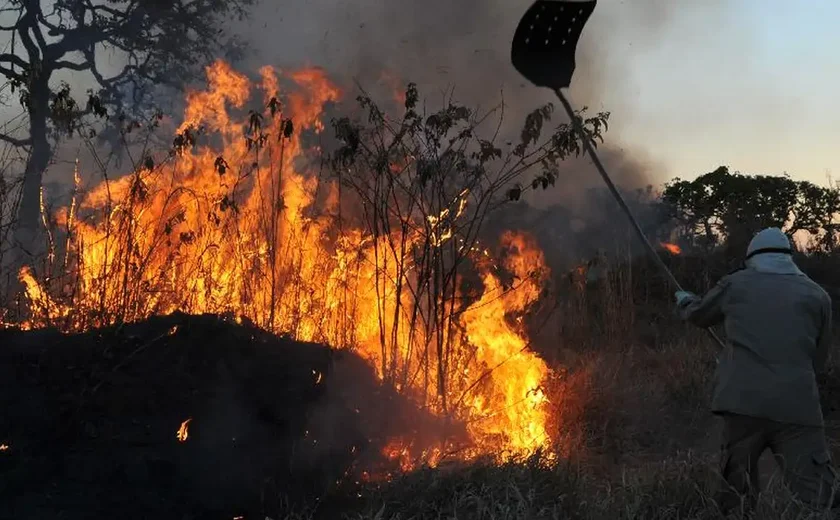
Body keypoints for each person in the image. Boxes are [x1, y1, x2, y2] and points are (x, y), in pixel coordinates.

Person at [675, 227, 837, 514]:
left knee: (736, 494)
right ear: (789, 257)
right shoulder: (818, 295)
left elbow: (700, 315)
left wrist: (685, 301)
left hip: (742, 405)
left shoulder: (735, 284)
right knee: (819, 494)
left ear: (752, 257)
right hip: (798, 408)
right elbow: (818, 361)